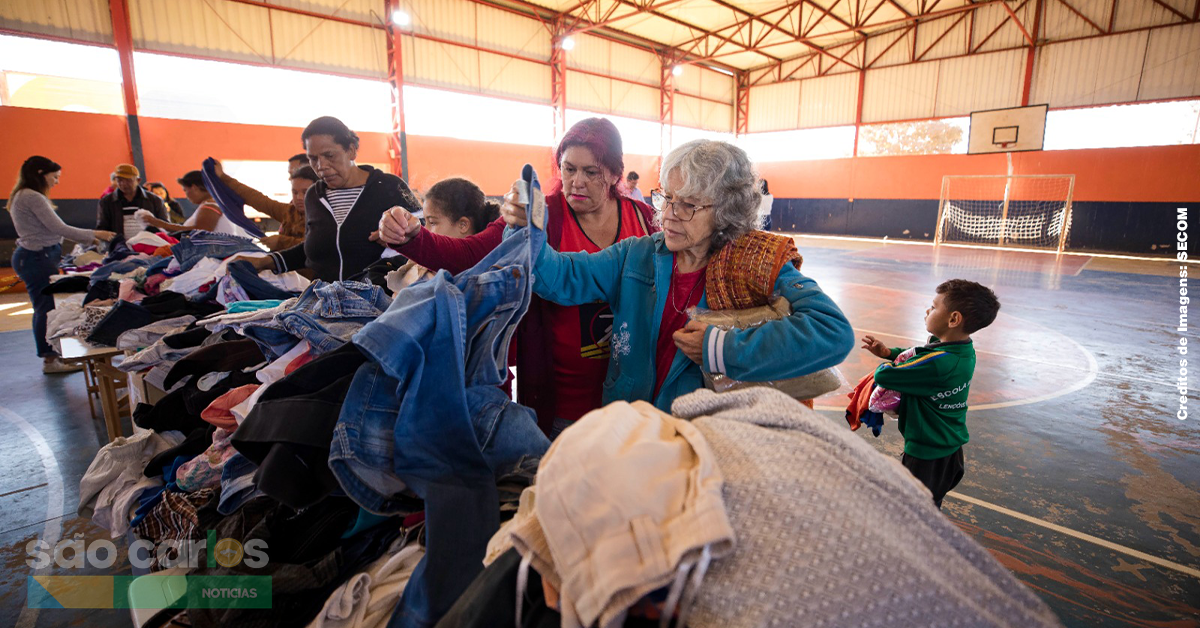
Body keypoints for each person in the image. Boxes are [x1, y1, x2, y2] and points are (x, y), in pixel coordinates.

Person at [500, 139, 855, 415]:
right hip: (634, 429)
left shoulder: (757, 263)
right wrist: (527, 233)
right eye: (666, 198)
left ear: (727, 210)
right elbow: (563, 276)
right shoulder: (637, 255)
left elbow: (832, 332)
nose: (669, 214)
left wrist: (722, 348)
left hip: (704, 445)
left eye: (688, 204)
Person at [376, 117, 657, 437]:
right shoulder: (537, 217)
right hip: (559, 404)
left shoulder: (646, 221)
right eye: (568, 169)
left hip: (632, 404)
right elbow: (470, 256)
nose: (576, 181)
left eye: (590, 172)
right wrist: (412, 237)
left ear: (614, 173)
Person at [860, 279, 999, 508]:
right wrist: (889, 353)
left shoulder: (938, 364)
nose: (928, 310)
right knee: (928, 505)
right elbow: (920, 356)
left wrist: (887, 364)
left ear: (953, 319)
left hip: (927, 455)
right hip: (948, 448)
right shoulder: (961, 350)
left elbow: (885, 376)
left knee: (914, 511)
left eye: (934, 307)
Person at [233, 116, 420, 282]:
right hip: (325, 303)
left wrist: (403, 235)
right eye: (313, 159)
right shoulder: (314, 196)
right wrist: (265, 262)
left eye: (329, 156)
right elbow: (314, 249)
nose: (321, 167)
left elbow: (428, 233)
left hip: (380, 304)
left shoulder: (389, 187)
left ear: (351, 151)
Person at [7, 156, 115, 373]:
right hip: (37, 257)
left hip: (37, 256)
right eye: (54, 177)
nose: (56, 182)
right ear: (41, 174)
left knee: (44, 305)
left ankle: (53, 355)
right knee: (45, 307)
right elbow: (60, 228)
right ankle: (49, 359)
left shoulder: (24, 195)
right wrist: (95, 234)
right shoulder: (32, 197)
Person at [210, 160, 315, 251]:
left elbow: (317, 247)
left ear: (317, 191)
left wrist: (281, 242)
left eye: (305, 192)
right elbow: (255, 198)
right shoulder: (289, 211)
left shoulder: (326, 216)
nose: (299, 197)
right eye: (295, 192)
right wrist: (223, 177)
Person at [137, 170, 250, 237]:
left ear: (195, 188)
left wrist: (160, 224)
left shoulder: (209, 207)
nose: (186, 195)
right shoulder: (213, 204)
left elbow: (197, 232)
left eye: (185, 190)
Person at [96, 163, 168, 243]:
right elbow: (102, 229)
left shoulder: (155, 200)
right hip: (120, 248)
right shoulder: (106, 202)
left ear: (138, 180)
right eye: (119, 180)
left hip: (150, 245)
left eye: (128, 180)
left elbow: (165, 226)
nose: (123, 184)